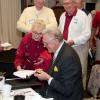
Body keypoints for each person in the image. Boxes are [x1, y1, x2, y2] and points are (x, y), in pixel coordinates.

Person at [34, 28, 84, 100]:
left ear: (56, 41)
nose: (44, 46)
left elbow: (67, 90)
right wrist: (43, 74)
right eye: (43, 43)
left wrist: (48, 78)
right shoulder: (58, 50)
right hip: (56, 92)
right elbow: (57, 74)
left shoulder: (68, 58)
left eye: (46, 43)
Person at [59, 0, 91, 90]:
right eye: (64, 4)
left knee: (80, 72)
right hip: (65, 48)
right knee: (66, 70)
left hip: (79, 47)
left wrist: (73, 41)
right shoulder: (62, 16)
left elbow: (87, 34)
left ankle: (80, 93)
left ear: (74, 4)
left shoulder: (82, 16)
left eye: (69, 3)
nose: (66, 6)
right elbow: (60, 30)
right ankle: (68, 92)